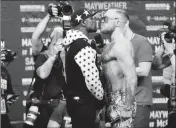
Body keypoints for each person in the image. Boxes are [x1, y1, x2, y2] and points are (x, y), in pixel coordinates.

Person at [24, 5, 66, 128]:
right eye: (56, 33)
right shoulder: (42, 53)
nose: (59, 34)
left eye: (62, 35)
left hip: (59, 105)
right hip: (40, 105)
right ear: (49, 40)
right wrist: (49, 15)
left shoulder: (67, 56)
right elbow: (35, 36)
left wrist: (67, 17)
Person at [63, 8, 104, 128]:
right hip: (84, 104)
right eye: (91, 18)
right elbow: (92, 80)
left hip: (74, 102)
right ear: (83, 22)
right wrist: (101, 98)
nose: (94, 21)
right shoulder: (83, 47)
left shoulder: (71, 45)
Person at [100, 8, 137, 128]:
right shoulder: (109, 45)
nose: (101, 21)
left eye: (105, 19)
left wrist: (127, 106)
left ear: (117, 22)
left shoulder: (122, 44)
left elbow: (131, 76)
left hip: (121, 99)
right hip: (109, 99)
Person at [118, 9, 153, 128]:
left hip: (139, 102)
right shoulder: (115, 45)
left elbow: (144, 70)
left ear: (126, 23)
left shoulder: (141, 42)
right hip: (120, 103)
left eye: (118, 22)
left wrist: (119, 69)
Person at [1, 48, 19, 128]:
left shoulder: (5, 73)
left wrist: (10, 98)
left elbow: (9, 92)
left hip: (2, 112)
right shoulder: (5, 72)